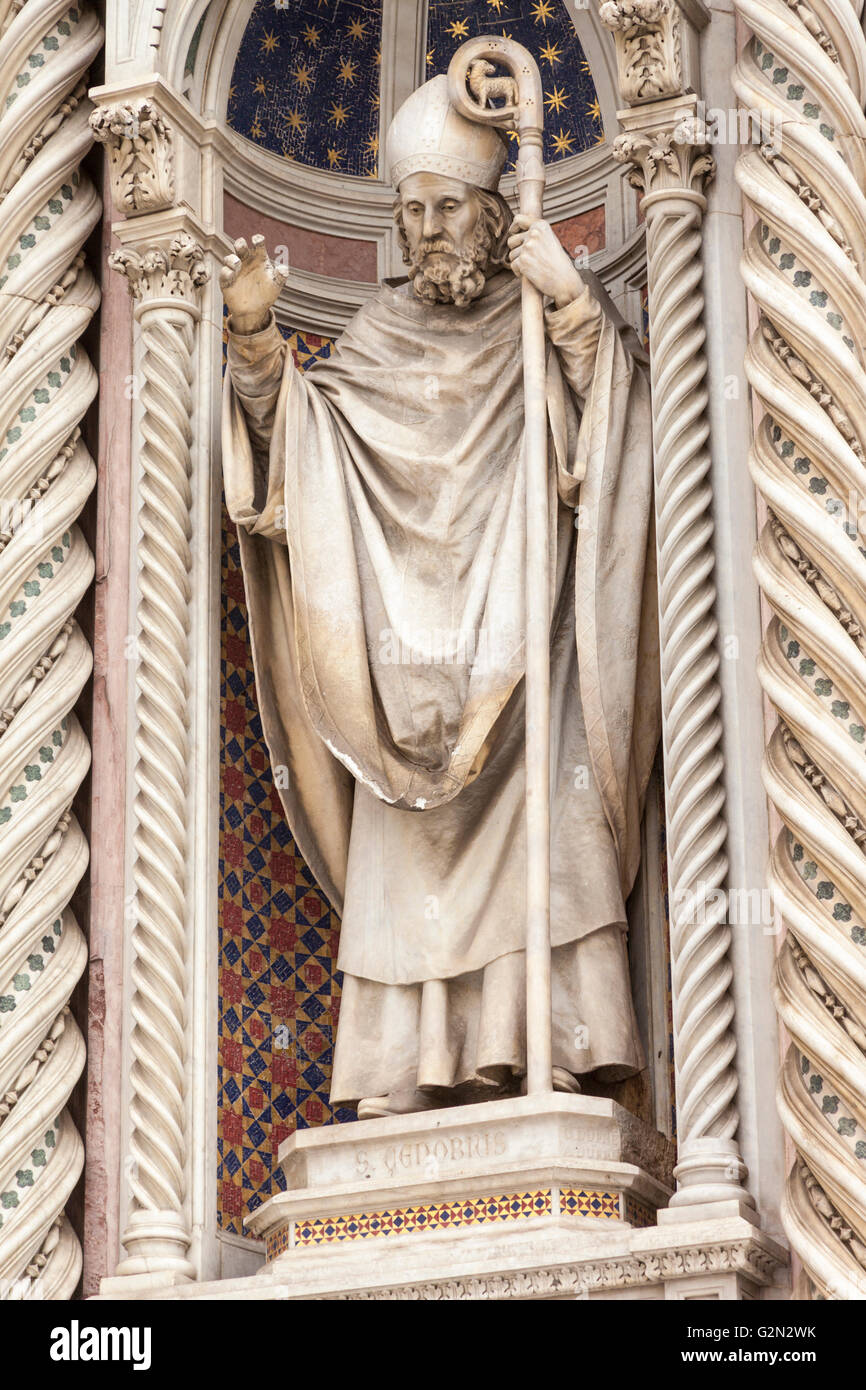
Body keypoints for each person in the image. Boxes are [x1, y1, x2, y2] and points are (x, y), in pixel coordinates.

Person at [220, 74, 660, 1118]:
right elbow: (301, 460)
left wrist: (565, 300)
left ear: (492, 213)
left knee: (553, 832)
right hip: (402, 681)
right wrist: (251, 351)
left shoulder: (536, 324)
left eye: (447, 208)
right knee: (404, 865)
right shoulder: (373, 338)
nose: (426, 231)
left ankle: (553, 1049)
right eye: (410, 211)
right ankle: (399, 1073)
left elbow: (623, 438)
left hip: (528, 660)